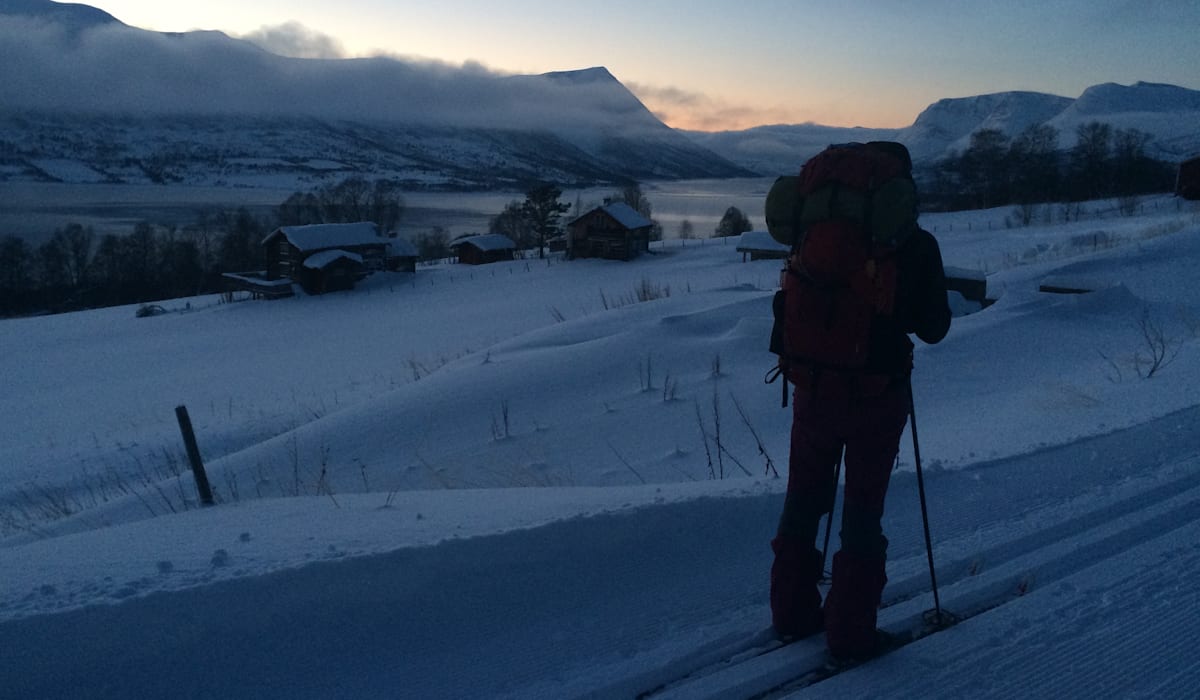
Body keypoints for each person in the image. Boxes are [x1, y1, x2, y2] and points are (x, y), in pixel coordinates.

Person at [768, 142, 952, 660]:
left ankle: (791, 612)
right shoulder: (910, 242)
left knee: (803, 499)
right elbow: (934, 326)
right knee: (862, 513)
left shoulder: (809, 231)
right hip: (876, 395)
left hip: (811, 389)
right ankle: (850, 636)